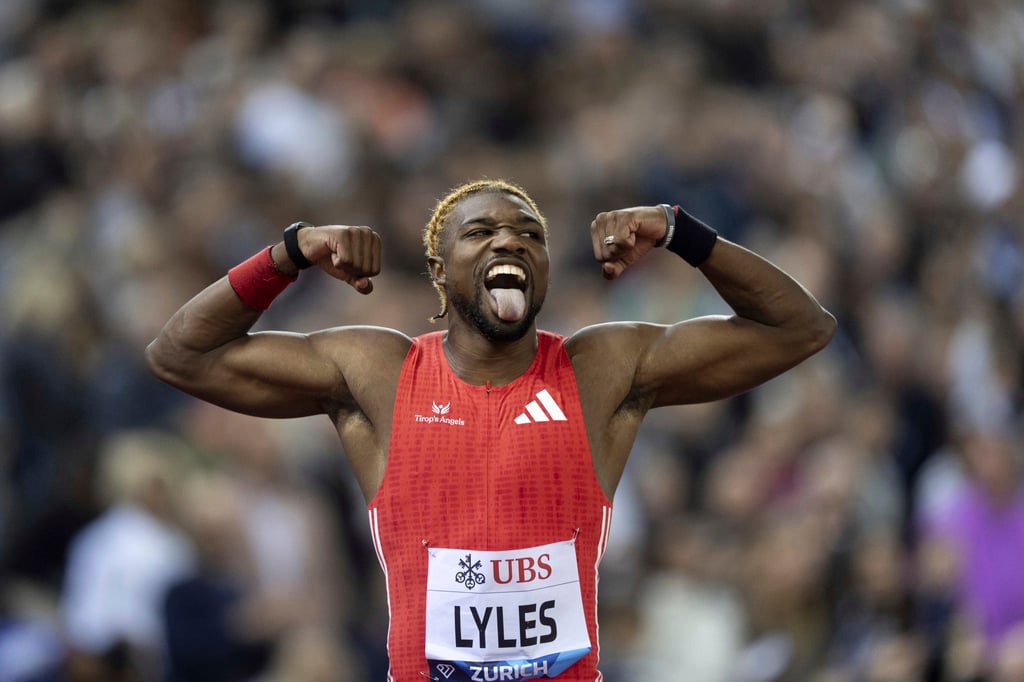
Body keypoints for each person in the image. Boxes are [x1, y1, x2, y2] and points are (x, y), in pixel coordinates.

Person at [146, 178, 836, 681]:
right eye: (481, 232)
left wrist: (681, 233)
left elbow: (800, 329)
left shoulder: (600, 369)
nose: (509, 239)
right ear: (442, 274)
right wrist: (288, 254)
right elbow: (181, 355)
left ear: (541, 273)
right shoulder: (378, 373)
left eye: (529, 235)